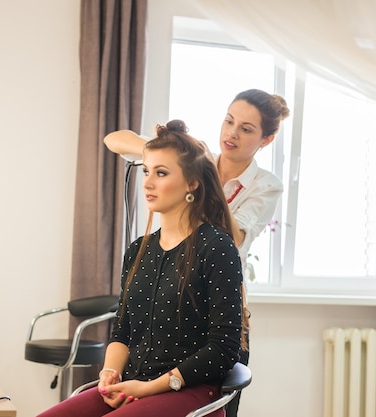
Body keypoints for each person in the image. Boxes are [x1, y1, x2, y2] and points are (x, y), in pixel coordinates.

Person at [37, 120, 246, 417]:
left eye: (161, 173)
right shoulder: (139, 249)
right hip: (136, 382)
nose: (147, 182)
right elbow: (122, 330)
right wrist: (111, 372)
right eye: (146, 171)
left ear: (192, 183)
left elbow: (224, 349)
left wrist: (149, 388)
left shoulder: (217, 248)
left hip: (191, 390)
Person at [103, 89, 290, 417]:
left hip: (213, 298)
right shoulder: (189, 161)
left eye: (246, 129)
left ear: (266, 140)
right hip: (171, 287)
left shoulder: (265, 185)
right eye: (229, 121)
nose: (231, 133)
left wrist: (201, 178)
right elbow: (114, 140)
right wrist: (164, 155)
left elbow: (236, 235)